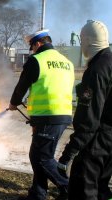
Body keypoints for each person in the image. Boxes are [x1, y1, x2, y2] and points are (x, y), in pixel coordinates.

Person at [8, 29, 75, 200]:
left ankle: (68, 188)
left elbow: (22, 85)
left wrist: (14, 103)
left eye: (32, 47)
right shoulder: (67, 62)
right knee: (39, 156)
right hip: (63, 115)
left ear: (37, 44)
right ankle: (37, 194)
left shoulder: (36, 60)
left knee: (42, 158)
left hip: (47, 116)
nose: (32, 51)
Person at [58, 20, 112, 200]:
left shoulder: (97, 69)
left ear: (88, 40)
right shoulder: (110, 60)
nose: (81, 45)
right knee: (101, 189)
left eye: (81, 40)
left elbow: (89, 119)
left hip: (96, 142)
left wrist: (70, 152)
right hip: (109, 142)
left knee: (83, 190)